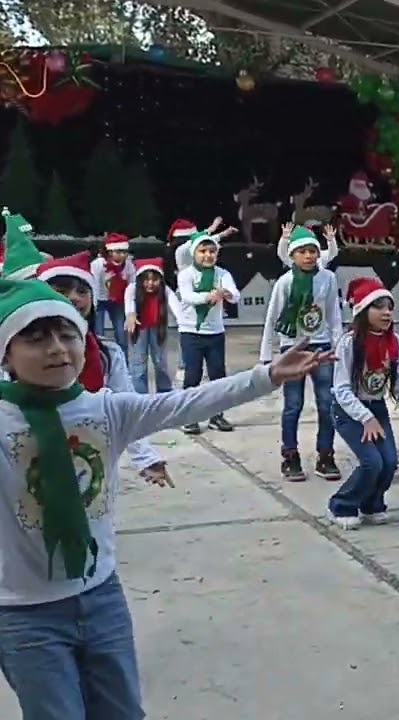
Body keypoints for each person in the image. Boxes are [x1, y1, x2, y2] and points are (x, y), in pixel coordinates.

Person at [0, 276, 329, 719]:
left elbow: (187, 402)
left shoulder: (105, 409)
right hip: (25, 613)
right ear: (7, 355)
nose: (57, 349)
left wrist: (265, 376)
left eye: (67, 334)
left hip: (101, 597)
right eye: (36, 339)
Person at [36, 251, 174, 488]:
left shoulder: (106, 353)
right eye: (61, 291)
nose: (74, 298)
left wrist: (145, 457)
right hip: (33, 459)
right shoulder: (17, 352)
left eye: (82, 291)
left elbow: (126, 406)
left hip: (93, 462)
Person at [328, 277, 399, 530]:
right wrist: (365, 418)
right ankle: (342, 505)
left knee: (389, 461)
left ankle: (371, 503)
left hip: (376, 408)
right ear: (362, 310)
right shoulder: (349, 343)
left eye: (389, 307)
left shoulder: (395, 342)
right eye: (378, 306)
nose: (386, 312)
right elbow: (342, 389)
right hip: (349, 410)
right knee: (372, 462)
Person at [260, 225, 344, 482]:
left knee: (326, 403)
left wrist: (338, 345)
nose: (308, 256)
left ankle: (326, 454)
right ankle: (290, 455)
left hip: (321, 347)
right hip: (293, 348)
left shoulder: (327, 278)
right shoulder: (285, 282)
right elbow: (272, 316)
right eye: (303, 252)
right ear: (292, 255)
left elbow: (333, 313)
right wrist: (266, 354)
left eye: (313, 251)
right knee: (293, 404)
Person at [175, 231, 242, 434]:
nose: (208, 255)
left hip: (215, 332)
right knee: (193, 376)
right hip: (191, 332)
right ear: (194, 253)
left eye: (212, 251)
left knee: (218, 376)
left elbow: (235, 296)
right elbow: (187, 297)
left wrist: (227, 293)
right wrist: (209, 296)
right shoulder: (186, 274)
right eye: (203, 251)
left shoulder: (222, 274)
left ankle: (217, 415)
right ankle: (190, 417)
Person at [123, 257, 181, 394]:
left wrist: (184, 323)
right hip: (138, 328)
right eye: (146, 280)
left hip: (158, 328)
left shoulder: (165, 290)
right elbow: (129, 303)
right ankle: (140, 397)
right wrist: (130, 314)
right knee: (138, 364)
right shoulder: (132, 288)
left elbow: (176, 307)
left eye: (154, 280)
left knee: (160, 361)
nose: (150, 283)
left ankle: (164, 393)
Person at [89, 233, 134, 349]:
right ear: (109, 252)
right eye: (118, 252)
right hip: (99, 300)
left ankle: (124, 362)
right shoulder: (98, 264)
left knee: (121, 333)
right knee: (98, 333)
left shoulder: (128, 266)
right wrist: (93, 306)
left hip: (118, 300)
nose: (122, 255)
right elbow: (93, 284)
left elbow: (132, 286)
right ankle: (100, 358)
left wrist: (131, 309)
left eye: (124, 252)